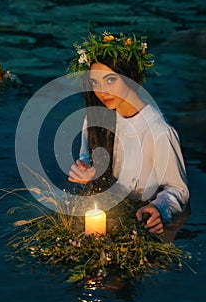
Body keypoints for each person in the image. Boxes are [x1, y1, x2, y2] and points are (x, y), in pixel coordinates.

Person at [67, 31, 189, 235]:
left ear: (130, 77)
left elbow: (178, 190)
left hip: (139, 215)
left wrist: (159, 209)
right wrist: (87, 168)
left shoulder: (158, 131)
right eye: (95, 83)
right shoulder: (95, 117)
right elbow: (86, 155)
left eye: (110, 80)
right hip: (106, 208)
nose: (102, 91)